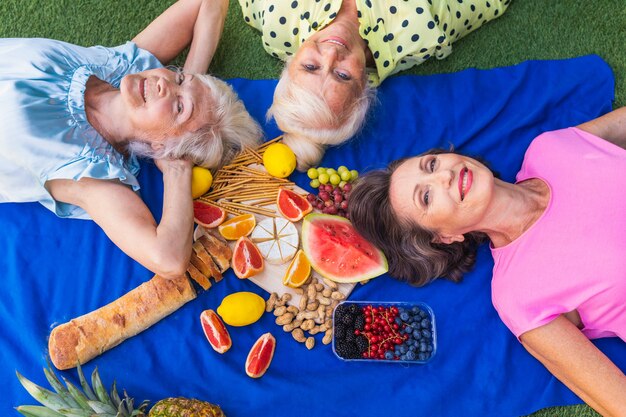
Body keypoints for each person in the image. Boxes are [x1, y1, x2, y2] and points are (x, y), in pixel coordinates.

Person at [347, 107, 626, 416]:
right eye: (426, 196)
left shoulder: (548, 148)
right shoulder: (517, 293)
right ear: (444, 237)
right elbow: (616, 400)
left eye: (432, 164)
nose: (444, 175)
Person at [0, 0, 262, 278]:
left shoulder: (89, 174)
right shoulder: (123, 65)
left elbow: (169, 259)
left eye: (180, 108)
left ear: (161, 146)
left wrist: (176, 168)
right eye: (179, 79)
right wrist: (191, 80)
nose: (164, 83)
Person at [238, 0, 510, 170]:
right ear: (365, 85)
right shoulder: (421, 30)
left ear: (291, 62)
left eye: (310, 67)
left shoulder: (277, 16)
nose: (332, 54)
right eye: (342, 76)